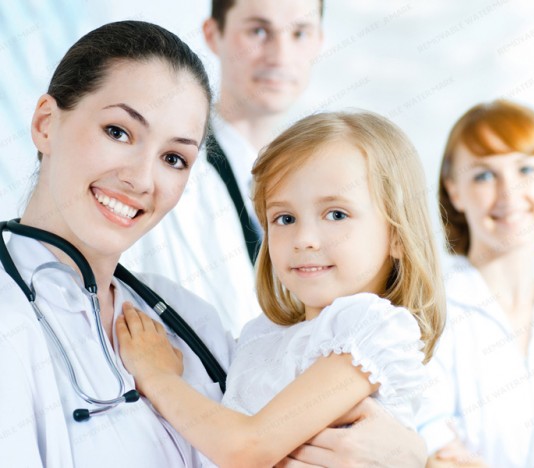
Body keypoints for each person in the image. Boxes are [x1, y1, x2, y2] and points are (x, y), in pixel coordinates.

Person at [0, 20, 427, 468]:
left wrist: (411, 456)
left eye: (174, 158)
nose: (142, 179)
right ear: (45, 123)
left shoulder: (184, 319)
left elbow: (260, 435)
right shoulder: (11, 318)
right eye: (118, 132)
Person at [117, 110, 445, 467]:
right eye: (284, 218)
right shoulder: (263, 336)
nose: (304, 239)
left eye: (336, 214)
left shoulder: (369, 328)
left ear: (397, 236)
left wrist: (158, 376)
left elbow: (247, 448)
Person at [416, 100, 534, 467]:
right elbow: (429, 448)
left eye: (526, 169)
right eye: (484, 175)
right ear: (455, 191)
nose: (509, 193)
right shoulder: (425, 316)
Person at [122, 0, 324, 336]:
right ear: (213, 34)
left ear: (319, 41)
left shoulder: (325, 181)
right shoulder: (165, 174)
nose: (280, 55)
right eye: (258, 31)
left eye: (300, 33)